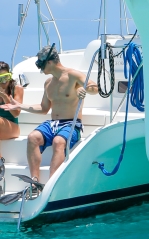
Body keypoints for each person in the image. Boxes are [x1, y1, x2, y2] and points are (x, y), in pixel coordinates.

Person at [0, 45, 98, 186]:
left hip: (71, 124)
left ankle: (52, 184)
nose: (40, 69)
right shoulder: (48, 83)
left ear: (50, 62)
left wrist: (85, 89)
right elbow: (44, 108)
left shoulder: (73, 75)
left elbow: (95, 88)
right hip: (53, 123)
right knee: (33, 137)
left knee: (59, 141)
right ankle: (34, 182)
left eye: (41, 64)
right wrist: (19, 106)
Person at [0, 62, 24, 182]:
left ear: (10, 76)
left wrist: (4, 97)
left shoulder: (17, 88)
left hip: (12, 126)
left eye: (6, 77)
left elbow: (16, 113)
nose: (4, 82)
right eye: (0, 78)